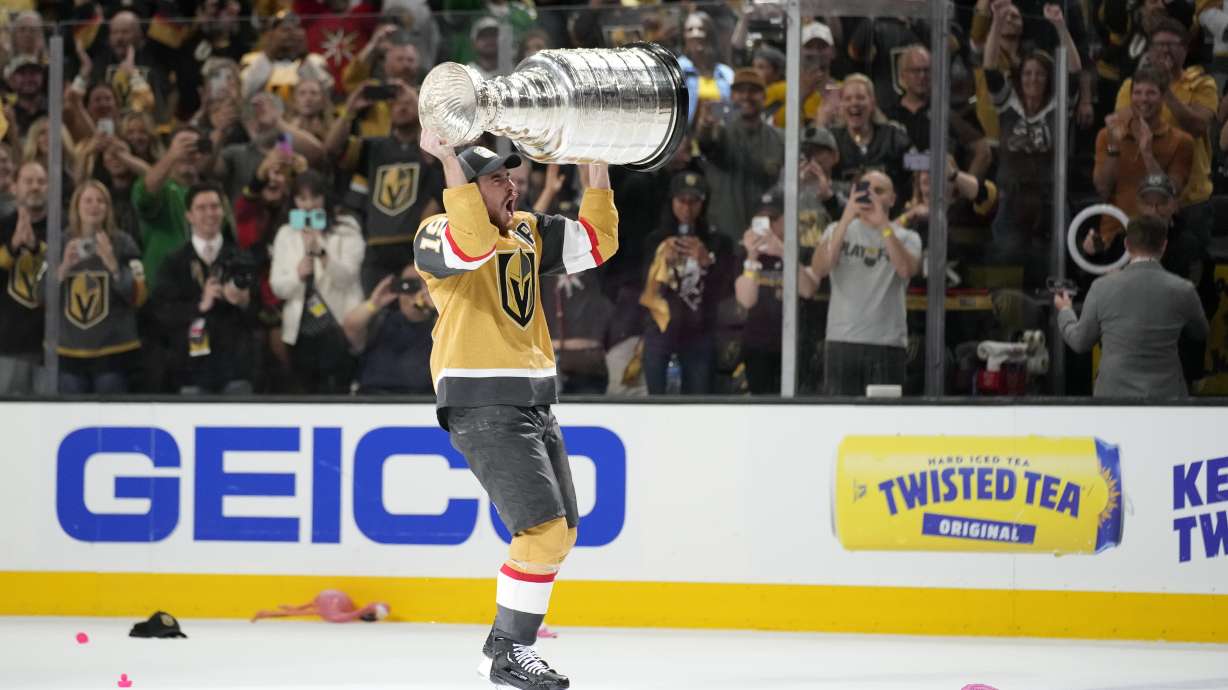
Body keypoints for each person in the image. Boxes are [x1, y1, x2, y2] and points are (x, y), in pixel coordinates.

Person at [412, 133, 618, 690]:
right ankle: (506, 651)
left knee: (563, 532)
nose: (514, 184)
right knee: (543, 532)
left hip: (533, 401)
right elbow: (473, 244)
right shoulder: (435, 233)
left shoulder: (525, 230)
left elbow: (598, 243)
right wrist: (448, 158)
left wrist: (595, 155)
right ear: (467, 189)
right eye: (499, 179)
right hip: (483, 401)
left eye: (513, 176)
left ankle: (507, 650)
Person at [1055, 214, 1208, 398]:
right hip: (1167, 398)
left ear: (1127, 245)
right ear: (1164, 246)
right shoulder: (1184, 290)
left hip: (1113, 397)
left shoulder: (1102, 287)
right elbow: (1200, 332)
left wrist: (1065, 310)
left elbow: (1080, 342)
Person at [810, 170, 922, 396]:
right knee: (841, 418)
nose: (870, 196)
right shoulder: (836, 230)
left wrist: (883, 225)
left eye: (878, 191)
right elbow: (820, 269)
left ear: (892, 199)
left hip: (887, 343)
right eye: (863, 190)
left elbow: (905, 269)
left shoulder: (908, 237)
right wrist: (846, 216)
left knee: (885, 424)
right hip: (842, 340)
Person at [328, 83, 444, 292]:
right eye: (396, 104)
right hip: (377, 248)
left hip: (418, 245)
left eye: (408, 103)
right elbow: (331, 149)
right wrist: (350, 110)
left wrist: (420, 105)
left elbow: (448, 166)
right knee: (376, 317)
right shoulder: (374, 147)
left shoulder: (430, 146)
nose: (401, 107)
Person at [151, 182, 259, 395]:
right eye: (202, 208)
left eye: (215, 206)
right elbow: (162, 313)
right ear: (189, 216)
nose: (210, 213)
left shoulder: (242, 257)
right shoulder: (174, 262)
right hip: (191, 368)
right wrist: (200, 305)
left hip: (234, 367)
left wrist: (244, 301)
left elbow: (261, 311)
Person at [639, 171, 737, 395]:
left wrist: (707, 261)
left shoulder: (718, 242)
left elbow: (726, 291)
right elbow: (643, 290)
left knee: (698, 402)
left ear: (703, 203)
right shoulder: (655, 240)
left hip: (699, 332)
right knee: (654, 401)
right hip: (660, 329)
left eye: (694, 202)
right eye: (681, 201)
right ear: (671, 201)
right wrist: (661, 262)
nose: (687, 208)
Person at [270, 171, 366, 394]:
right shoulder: (286, 233)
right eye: (302, 199)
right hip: (300, 329)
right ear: (294, 201)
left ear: (324, 198)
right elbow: (278, 286)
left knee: (337, 389)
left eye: (314, 197)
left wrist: (321, 252)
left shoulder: (346, 228)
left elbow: (347, 277)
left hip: (339, 325)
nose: (308, 205)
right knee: (304, 389)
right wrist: (298, 275)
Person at [54, 181, 146, 394]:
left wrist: (114, 266)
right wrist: (64, 268)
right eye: (88, 200)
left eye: (100, 201)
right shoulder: (59, 243)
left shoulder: (124, 243)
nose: (94, 206)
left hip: (114, 352)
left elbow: (139, 296)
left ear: (108, 208)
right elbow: (40, 295)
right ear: (76, 206)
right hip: (70, 353)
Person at [1089, 65, 1194, 251]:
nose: (1143, 99)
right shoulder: (1106, 136)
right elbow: (1103, 189)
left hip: (1157, 239)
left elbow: (1169, 192)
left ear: (1163, 97)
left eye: (1151, 93)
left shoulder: (1182, 141)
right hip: (1114, 234)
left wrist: (1147, 153)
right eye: (1138, 92)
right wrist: (1114, 147)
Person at [735, 188, 819, 394]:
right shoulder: (743, 254)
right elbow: (746, 300)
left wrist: (783, 251)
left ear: (785, 220)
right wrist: (752, 256)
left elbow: (808, 289)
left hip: (797, 346)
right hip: (758, 346)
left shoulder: (803, 251)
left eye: (773, 219)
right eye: (761, 221)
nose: (768, 227)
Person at [696, 67, 784, 241]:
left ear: (764, 97)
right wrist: (705, 124)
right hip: (724, 237)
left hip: (765, 237)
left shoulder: (779, 139)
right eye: (740, 91)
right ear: (731, 96)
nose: (746, 96)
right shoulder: (720, 132)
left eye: (753, 91)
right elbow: (706, 144)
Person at [341, 264, 435, 395]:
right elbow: (351, 327)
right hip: (373, 400)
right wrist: (374, 303)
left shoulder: (440, 325)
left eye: (422, 282)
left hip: (419, 403)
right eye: (408, 283)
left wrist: (437, 306)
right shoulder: (381, 320)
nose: (415, 290)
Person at [0, 161, 48, 394]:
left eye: (41, 181)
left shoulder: (62, 227)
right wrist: (12, 247)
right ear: (15, 187)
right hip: (9, 343)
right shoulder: (3, 227)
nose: (35, 187)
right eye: (28, 181)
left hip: (51, 345)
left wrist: (36, 247)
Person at [251, 590, 389, 623]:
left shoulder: (333, 612)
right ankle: (266, 613)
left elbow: (310, 609)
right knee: (315, 610)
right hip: (330, 601)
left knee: (314, 609)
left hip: (328, 599)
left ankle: (266, 613)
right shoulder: (335, 614)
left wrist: (296, 608)